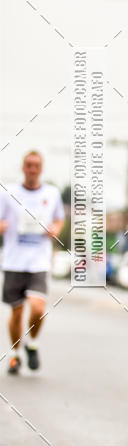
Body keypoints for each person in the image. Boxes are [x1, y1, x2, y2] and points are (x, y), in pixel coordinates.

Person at [0, 151, 65, 374]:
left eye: (36, 165)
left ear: (41, 169)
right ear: (23, 167)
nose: (32, 169)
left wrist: (55, 229)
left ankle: (32, 343)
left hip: (39, 260)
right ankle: (15, 354)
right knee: (16, 312)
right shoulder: (8, 193)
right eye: (28, 165)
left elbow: (59, 219)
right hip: (14, 260)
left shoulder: (52, 193)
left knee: (38, 308)